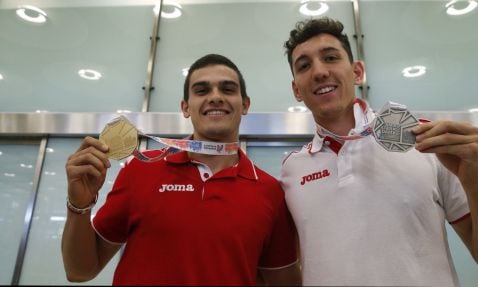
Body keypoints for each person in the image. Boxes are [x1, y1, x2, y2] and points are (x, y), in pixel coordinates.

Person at [280, 17, 478, 286]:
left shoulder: (427, 140)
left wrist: (476, 183)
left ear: (357, 72)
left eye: (331, 58)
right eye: (304, 65)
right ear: (296, 90)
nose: (319, 71)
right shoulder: (291, 169)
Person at [62, 54, 301, 285]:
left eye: (227, 89)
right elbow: (79, 271)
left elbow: (284, 281)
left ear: (245, 105)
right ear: (186, 107)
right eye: (202, 90)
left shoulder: (270, 191)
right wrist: (79, 206)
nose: (215, 97)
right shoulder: (141, 170)